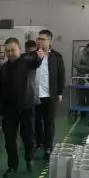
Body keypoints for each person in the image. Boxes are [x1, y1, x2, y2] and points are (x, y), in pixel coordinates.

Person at [0, 38, 44, 178]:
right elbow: (0, 89)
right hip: (9, 109)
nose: (10, 53)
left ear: (20, 49)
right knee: (9, 139)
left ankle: (29, 158)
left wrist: (40, 56)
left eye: (13, 50)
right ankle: (12, 166)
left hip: (26, 106)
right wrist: (0, 108)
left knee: (28, 136)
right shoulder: (3, 68)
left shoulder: (27, 62)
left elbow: (36, 62)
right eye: (8, 51)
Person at [34, 30, 66, 160]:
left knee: (49, 122)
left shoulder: (57, 57)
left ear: (49, 41)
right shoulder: (32, 56)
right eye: (38, 39)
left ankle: (48, 147)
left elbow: (61, 75)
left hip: (50, 95)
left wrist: (60, 92)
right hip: (35, 95)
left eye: (43, 39)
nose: (39, 41)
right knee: (36, 122)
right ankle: (38, 143)